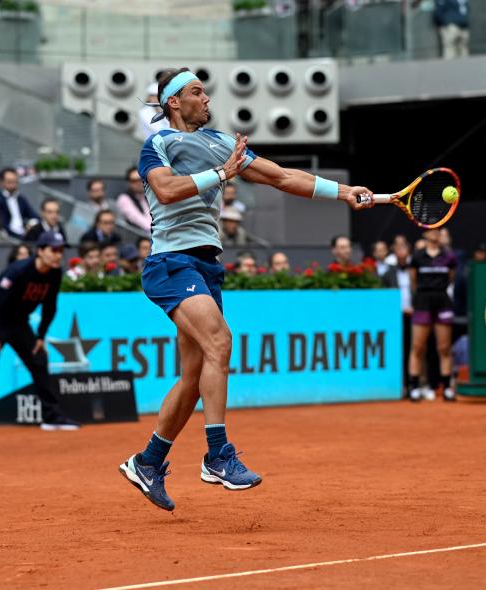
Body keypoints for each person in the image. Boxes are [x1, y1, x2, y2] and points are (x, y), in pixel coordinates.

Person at [118, 67, 373, 511]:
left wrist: (344, 191)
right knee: (220, 341)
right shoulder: (157, 144)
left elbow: (280, 176)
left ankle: (148, 462)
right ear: (174, 102)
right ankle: (218, 455)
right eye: (197, 91)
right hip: (170, 263)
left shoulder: (220, 142)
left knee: (195, 378)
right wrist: (221, 173)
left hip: (206, 265)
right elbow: (166, 188)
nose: (207, 98)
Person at [0, 231, 78, 436]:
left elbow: (50, 306)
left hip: (17, 322)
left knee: (39, 358)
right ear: (40, 251)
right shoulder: (19, 270)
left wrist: (40, 336)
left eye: (61, 250)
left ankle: (51, 417)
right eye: (53, 250)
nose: (58, 255)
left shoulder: (55, 273)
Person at [408, 228, 457, 402]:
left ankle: (447, 388)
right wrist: (421, 295)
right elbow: (413, 281)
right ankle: (414, 386)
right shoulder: (417, 256)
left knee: (444, 347)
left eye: (439, 230)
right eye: (432, 230)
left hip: (442, 300)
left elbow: (451, 278)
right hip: (423, 301)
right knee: (418, 346)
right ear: (425, 234)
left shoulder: (449, 256)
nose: (436, 233)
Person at [381, 239, 413, 393]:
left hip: (414, 317)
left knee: (413, 351)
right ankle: (399, 385)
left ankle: (414, 384)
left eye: (404, 247)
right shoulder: (387, 274)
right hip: (395, 318)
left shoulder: (415, 271)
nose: (401, 251)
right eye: (398, 248)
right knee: (397, 351)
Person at [0, 168, 38, 239]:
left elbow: (34, 216)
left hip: (24, 235)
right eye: (9, 182)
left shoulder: (21, 199)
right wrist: (20, 236)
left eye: (15, 182)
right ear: (1, 183)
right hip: (7, 238)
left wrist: (31, 224)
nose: (13, 185)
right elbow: (2, 224)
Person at [116, 167, 152, 233]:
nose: (139, 183)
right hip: (136, 237)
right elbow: (138, 220)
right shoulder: (124, 199)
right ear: (128, 183)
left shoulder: (149, 195)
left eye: (140, 179)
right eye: (134, 181)